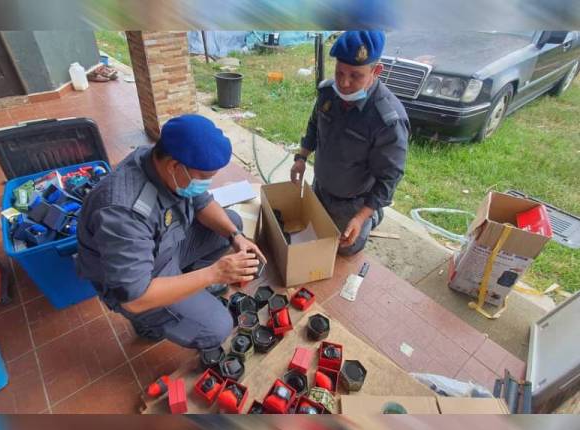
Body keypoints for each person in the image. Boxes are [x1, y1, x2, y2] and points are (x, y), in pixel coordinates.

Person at [77, 114, 265, 350]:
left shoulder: (163, 162)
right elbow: (136, 298)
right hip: (140, 285)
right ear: (175, 166)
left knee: (231, 223)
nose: (205, 184)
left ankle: (186, 287)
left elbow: (202, 202)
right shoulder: (123, 213)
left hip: (165, 249)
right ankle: (148, 323)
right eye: (205, 179)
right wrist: (215, 273)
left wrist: (235, 236)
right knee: (217, 327)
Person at [290, 30, 409, 255]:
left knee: (345, 248)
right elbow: (315, 123)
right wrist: (301, 157)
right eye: (339, 72)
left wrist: (361, 216)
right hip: (322, 185)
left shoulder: (387, 120)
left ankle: (372, 216)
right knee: (310, 232)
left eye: (356, 76)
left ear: (376, 71)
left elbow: (390, 177)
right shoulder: (328, 92)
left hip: (354, 198)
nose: (344, 83)